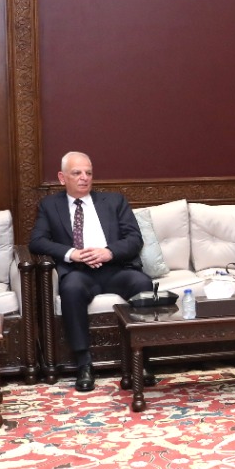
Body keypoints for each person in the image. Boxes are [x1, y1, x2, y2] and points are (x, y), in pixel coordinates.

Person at [29, 152, 151, 393]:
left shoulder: (114, 201)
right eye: (77, 173)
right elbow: (37, 241)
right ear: (62, 177)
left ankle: (142, 360)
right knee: (71, 288)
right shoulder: (50, 206)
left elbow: (135, 239)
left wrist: (109, 252)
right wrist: (71, 253)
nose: (84, 178)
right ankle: (84, 364)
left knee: (142, 283)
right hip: (79, 272)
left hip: (115, 269)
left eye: (88, 173)